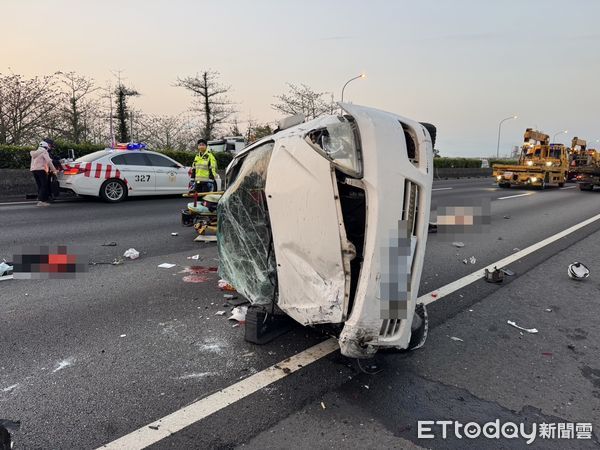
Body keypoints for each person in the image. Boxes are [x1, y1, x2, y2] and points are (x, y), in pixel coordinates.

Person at [30, 140, 57, 207]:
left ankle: (40, 198)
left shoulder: (35, 152)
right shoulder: (44, 151)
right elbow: (49, 161)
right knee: (44, 185)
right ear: (46, 147)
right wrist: (54, 170)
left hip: (34, 170)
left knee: (40, 185)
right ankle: (41, 201)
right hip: (41, 170)